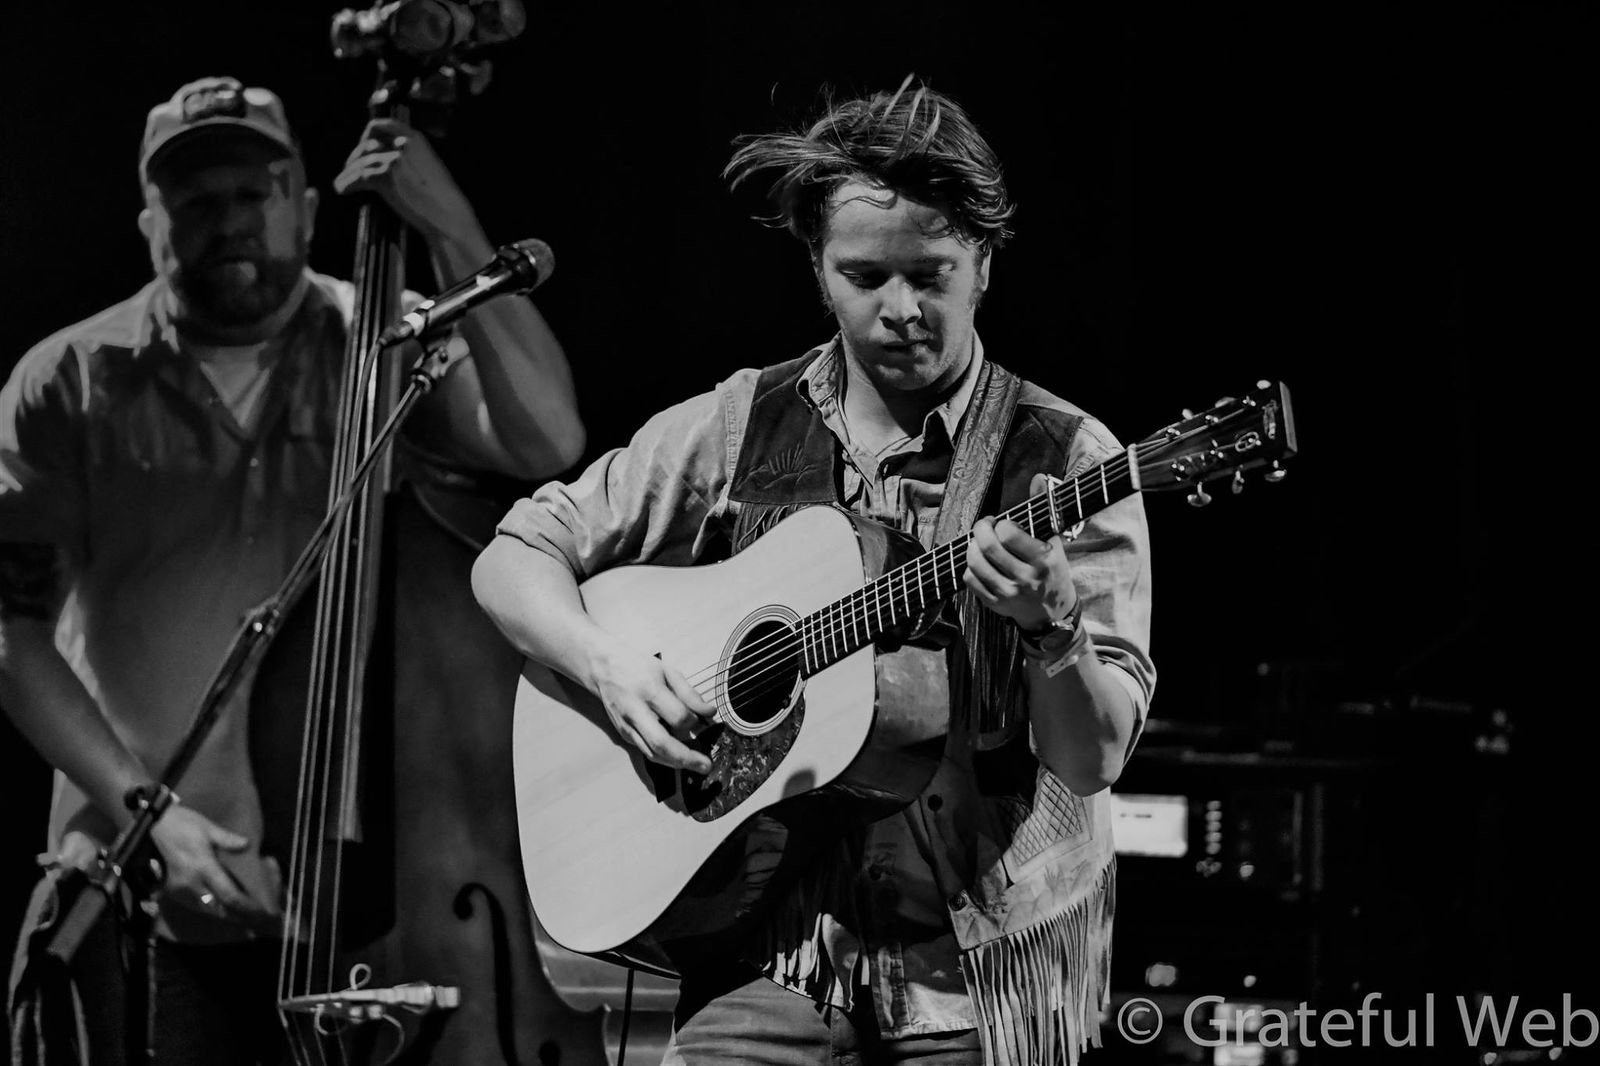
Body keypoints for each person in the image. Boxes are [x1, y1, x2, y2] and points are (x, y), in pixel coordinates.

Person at [471, 77, 1154, 1066]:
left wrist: (1053, 629)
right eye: (863, 276)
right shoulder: (741, 419)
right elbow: (515, 555)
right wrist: (610, 671)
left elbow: (1094, 761)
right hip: (760, 956)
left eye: (931, 274)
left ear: (984, 264)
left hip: (977, 979)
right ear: (817, 271)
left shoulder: (1068, 460)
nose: (900, 310)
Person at [0, 75, 584, 1064]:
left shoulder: (391, 338)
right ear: (148, 224)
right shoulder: (66, 376)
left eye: (253, 193)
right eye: (196, 199)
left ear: (307, 209)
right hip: (143, 881)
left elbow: (546, 440)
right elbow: (13, 634)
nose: (229, 220)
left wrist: (445, 221)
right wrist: (154, 817)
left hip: (371, 898)